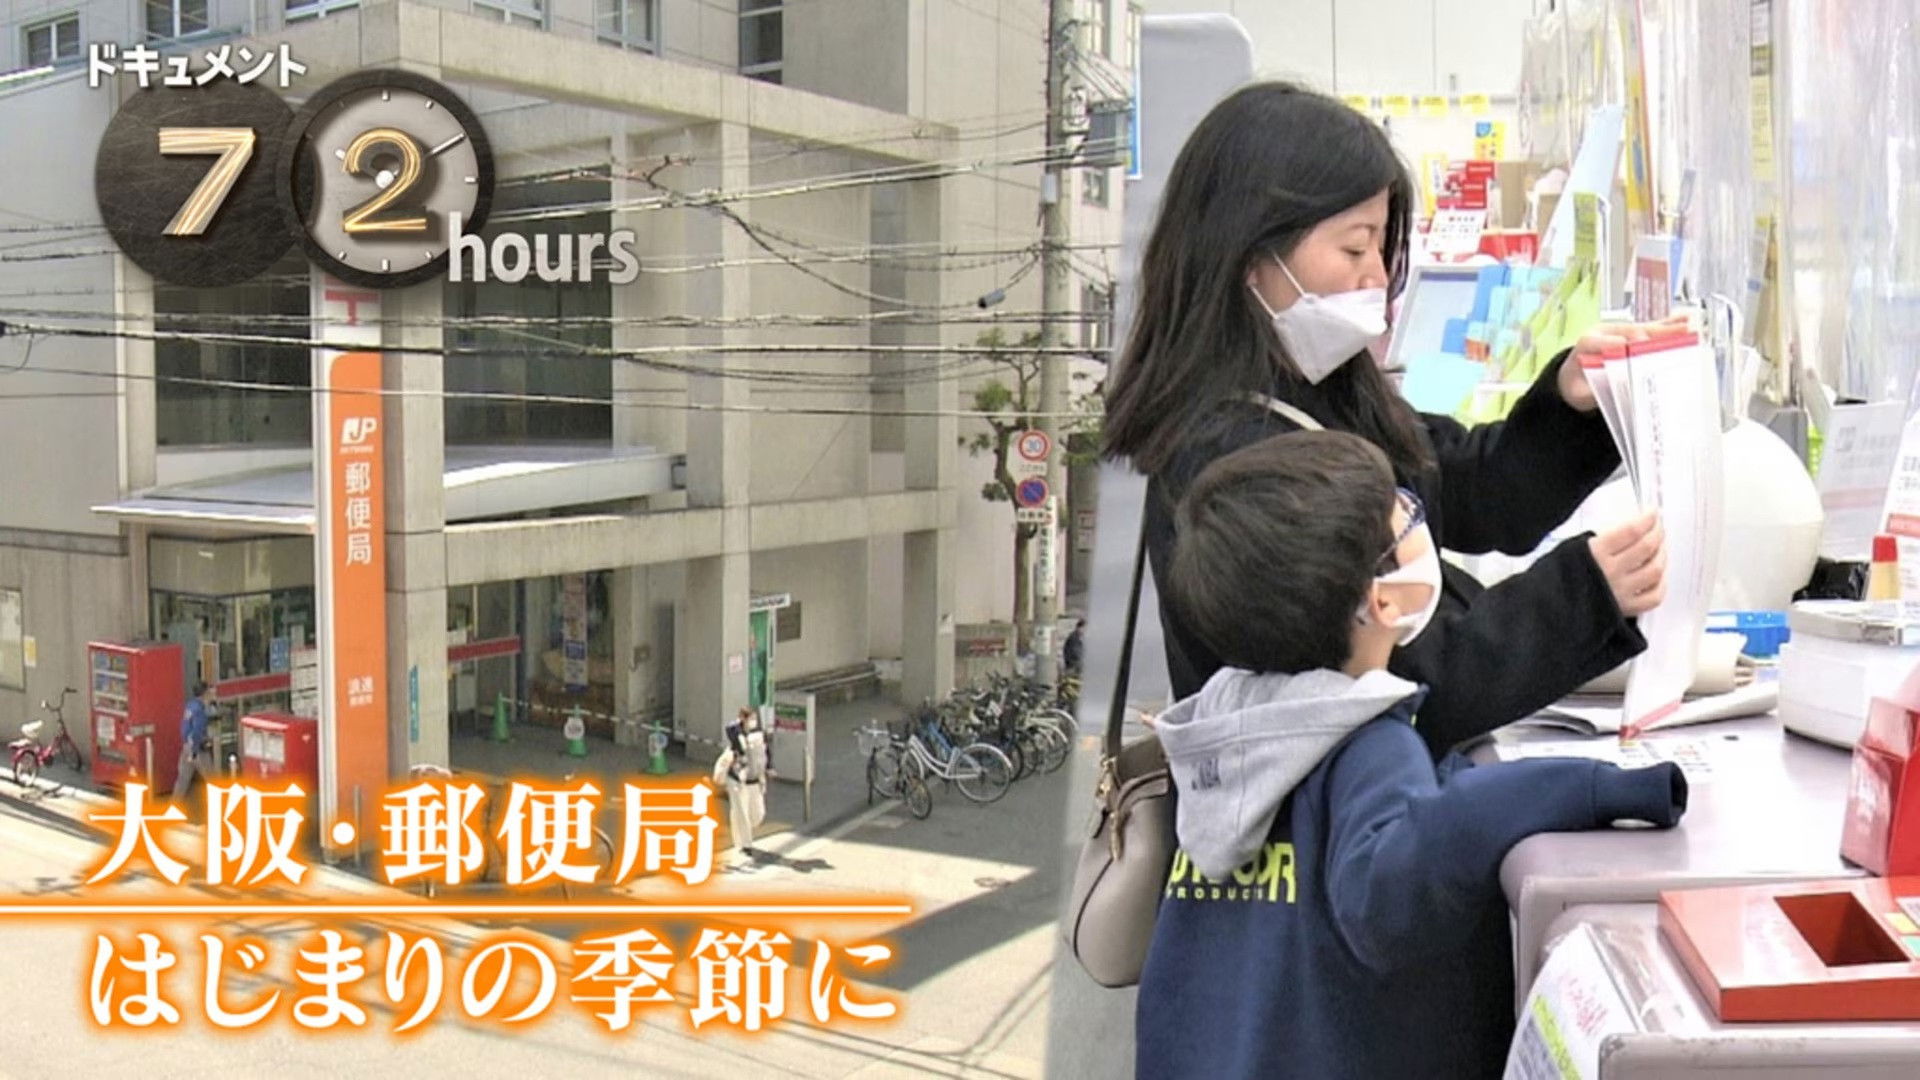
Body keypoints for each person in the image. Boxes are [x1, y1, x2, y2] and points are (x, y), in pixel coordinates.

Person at [1104, 81, 1680, 756]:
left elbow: (1471, 488)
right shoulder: (1230, 456)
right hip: (1323, 840)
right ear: (1252, 257)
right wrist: (1586, 596)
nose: (1377, 275)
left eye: (1383, 247)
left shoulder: (1324, 393)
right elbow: (1385, 683)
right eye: (1354, 249)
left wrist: (1578, 402)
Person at [1135, 430, 1688, 1079]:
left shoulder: (1224, 732)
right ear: (1382, 597)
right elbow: (1396, 884)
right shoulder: (1365, 742)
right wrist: (1588, 787)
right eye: (1408, 517)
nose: (1421, 522)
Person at [712, 707, 773, 859]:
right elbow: (730, 729)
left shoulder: (759, 734)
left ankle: (743, 834)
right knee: (741, 813)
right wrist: (741, 726)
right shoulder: (736, 732)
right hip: (738, 779)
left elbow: (767, 752)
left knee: (757, 814)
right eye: (749, 718)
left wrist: (770, 767)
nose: (752, 721)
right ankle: (745, 844)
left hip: (755, 779)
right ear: (743, 718)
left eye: (754, 718)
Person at [172, 682, 217, 804]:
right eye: (210, 691)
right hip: (197, 750)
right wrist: (195, 749)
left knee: (182, 780)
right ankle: (219, 811)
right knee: (213, 781)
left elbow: (185, 727)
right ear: (205, 694)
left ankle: (173, 807)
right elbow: (197, 731)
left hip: (186, 747)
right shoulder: (200, 711)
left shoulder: (190, 705)